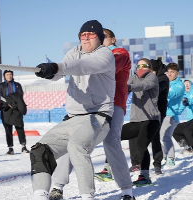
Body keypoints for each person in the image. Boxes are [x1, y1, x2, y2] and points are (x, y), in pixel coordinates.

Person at [30, 20, 120, 200]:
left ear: (100, 38)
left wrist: (56, 67)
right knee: (39, 150)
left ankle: (87, 196)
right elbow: (62, 72)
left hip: (97, 116)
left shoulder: (105, 54)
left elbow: (82, 66)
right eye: (82, 35)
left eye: (91, 35)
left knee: (76, 146)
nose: (86, 38)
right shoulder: (74, 52)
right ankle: (40, 196)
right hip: (72, 117)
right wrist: (49, 72)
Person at [49, 28, 135, 200]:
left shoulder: (119, 53)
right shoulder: (85, 55)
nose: (101, 40)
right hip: (87, 106)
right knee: (73, 141)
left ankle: (127, 191)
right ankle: (57, 187)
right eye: (99, 37)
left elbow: (100, 65)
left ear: (112, 39)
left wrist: (80, 62)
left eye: (104, 37)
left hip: (113, 104)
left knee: (111, 142)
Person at [121, 58, 161, 187]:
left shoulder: (152, 77)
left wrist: (128, 87)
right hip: (135, 120)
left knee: (141, 144)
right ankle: (108, 168)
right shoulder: (133, 77)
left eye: (143, 65)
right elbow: (123, 86)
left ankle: (145, 176)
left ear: (149, 67)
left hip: (151, 119)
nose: (140, 67)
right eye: (138, 65)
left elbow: (142, 86)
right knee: (113, 135)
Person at [128, 59, 169, 175]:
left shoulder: (162, 79)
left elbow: (150, 86)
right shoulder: (139, 77)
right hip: (140, 113)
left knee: (154, 137)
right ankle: (136, 163)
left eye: (150, 69)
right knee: (133, 136)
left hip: (156, 113)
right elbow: (130, 84)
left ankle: (157, 164)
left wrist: (133, 86)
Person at [0, 70, 29, 155]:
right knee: (8, 129)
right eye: (7, 75)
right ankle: (10, 149)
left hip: (16, 108)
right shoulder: (1, 85)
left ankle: (24, 147)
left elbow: (20, 96)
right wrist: (8, 102)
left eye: (10, 74)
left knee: (20, 127)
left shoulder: (18, 85)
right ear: (4, 76)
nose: (9, 76)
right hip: (6, 108)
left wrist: (14, 104)